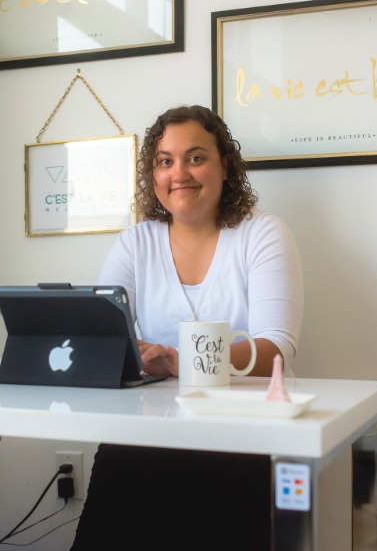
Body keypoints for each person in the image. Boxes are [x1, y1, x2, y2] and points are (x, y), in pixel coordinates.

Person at [69, 105, 304, 550]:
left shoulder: (263, 234)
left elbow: (277, 349)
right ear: (153, 174)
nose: (180, 172)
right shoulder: (135, 242)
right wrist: (137, 354)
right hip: (149, 434)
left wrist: (184, 362)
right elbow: (98, 339)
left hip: (243, 436)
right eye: (165, 160)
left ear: (225, 167)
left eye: (196, 158)